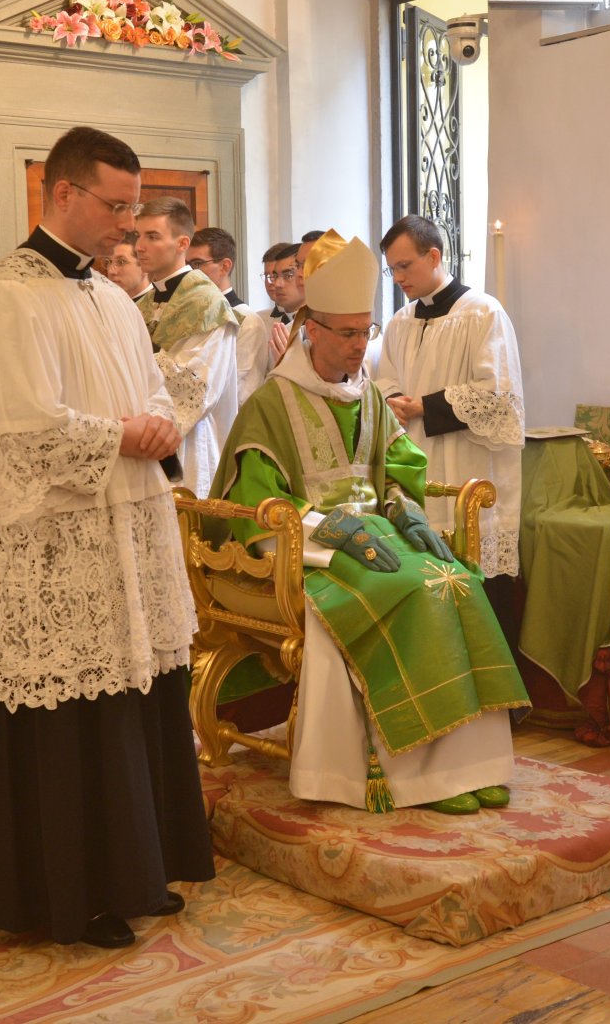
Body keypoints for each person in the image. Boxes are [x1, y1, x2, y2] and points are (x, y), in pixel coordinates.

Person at [0, 126, 214, 948]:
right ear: (62, 192)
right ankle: (72, 895)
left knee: (130, 699)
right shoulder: (7, 295)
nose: (128, 227)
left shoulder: (111, 298)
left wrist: (162, 421)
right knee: (70, 716)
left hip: (125, 535)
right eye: (116, 207)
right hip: (53, 549)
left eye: (135, 210)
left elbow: (154, 389)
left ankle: (138, 869)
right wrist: (121, 436)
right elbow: (19, 432)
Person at [210, 230, 530, 815]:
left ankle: (468, 762)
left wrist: (405, 510)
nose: (361, 346)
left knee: (456, 582)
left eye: (366, 331)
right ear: (312, 329)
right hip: (310, 552)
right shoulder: (271, 405)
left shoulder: (368, 398)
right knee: (410, 591)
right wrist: (333, 531)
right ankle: (414, 771)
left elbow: (397, 470)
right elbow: (257, 506)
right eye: (348, 333)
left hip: (379, 538)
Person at [373, 214, 524, 581]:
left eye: (404, 266)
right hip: (416, 461)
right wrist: (392, 400)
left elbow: (498, 397)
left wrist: (425, 406)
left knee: (473, 574)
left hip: (467, 461)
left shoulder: (483, 312)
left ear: (434, 256)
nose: (398, 278)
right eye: (392, 269)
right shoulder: (400, 322)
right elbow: (385, 378)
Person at [134, 197, 238, 497]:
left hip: (189, 447)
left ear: (182, 244)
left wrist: (134, 369)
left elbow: (196, 388)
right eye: (138, 236)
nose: (139, 246)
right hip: (138, 446)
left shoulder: (207, 304)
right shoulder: (140, 305)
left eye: (152, 236)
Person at [190, 226, 270, 406]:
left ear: (224, 266)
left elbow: (244, 392)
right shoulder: (188, 315)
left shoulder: (247, 320)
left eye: (197, 264)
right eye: (187, 264)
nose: (189, 272)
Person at [261, 242, 300, 367]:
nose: (275, 283)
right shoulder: (258, 321)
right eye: (270, 276)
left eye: (287, 275)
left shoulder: (321, 323)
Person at [106, 231, 151, 303]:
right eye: (109, 262)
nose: (111, 271)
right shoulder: (108, 302)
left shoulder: (162, 304)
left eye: (121, 262)